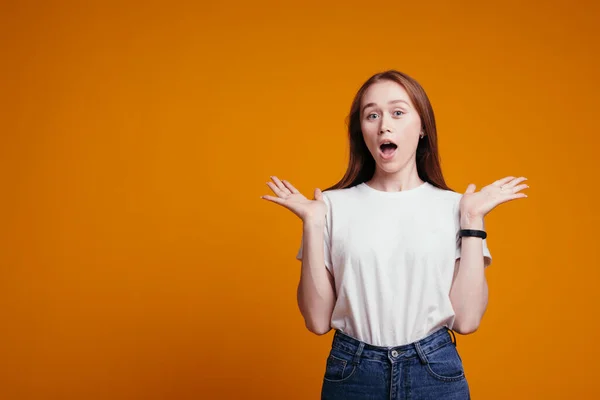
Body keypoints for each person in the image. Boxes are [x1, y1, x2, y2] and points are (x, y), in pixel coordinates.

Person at [260, 70, 528, 399]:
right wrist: (313, 224)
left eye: (398, 112)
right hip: (353, 373)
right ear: (363, 131)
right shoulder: (329, 207)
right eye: (372, 115)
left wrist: (472, 219)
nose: (384, 124)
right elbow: (317, 321)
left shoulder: (457, 207)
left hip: (434, 371)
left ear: (423, 129)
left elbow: (468, 320)